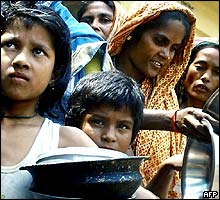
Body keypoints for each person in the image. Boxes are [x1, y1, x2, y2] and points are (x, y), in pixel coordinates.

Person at [1, 2, 98, 199]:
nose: (20, 60)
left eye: (38, 51)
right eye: (10, 45)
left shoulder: (66, 143)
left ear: (55, 73)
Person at [107, 1, 202, 198]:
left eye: (174, 48)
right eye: (159, 41)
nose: (166, 54)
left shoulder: (165, 98)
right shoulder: (95, 67)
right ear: (133, 30)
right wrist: (172, 120)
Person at [65, 70, 183, 199]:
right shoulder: (52, 172)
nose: (109, 136)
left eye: (122, 126)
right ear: (76, 123)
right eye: (98, 122)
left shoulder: (131, 184)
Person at [36, 1, 115, 125]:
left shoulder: (85, 41)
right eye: (10, 45)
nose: (94, 26)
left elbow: (94, 108)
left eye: (37, 51)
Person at [175, 40, 219, 109]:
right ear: (185, 70)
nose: (206, 77)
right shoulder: (159, 104)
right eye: (200, 67)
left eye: (217, 73)